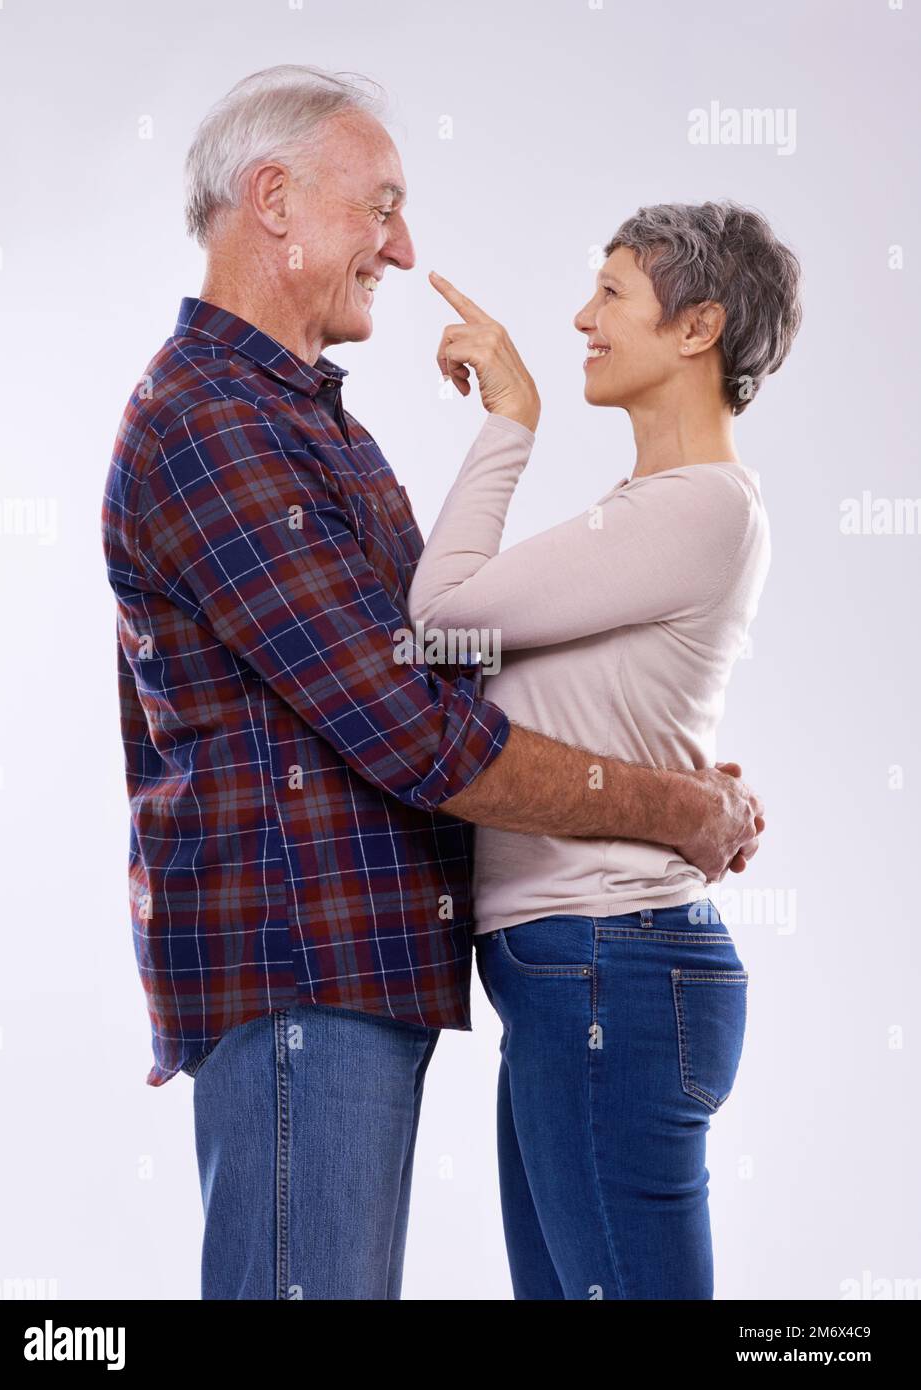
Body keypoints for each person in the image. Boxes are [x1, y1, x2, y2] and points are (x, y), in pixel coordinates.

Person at [101, 64, 763, 1301]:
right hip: (301, 972)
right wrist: (671, 805)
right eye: (381, 207)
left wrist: (641, 751)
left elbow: (436, 661)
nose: (403, 249)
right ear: (275, 201)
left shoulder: (311, 426)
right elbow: (416, 726)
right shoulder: (211, 424)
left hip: (371, 975)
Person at [407, 200, 801, 1299]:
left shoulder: (696, 505)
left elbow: (438, 616)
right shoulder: (656, 512)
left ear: (697, 327)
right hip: (584, 971)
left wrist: (511, 420)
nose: (582, 315)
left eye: (611, 291)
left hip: (609, 968)